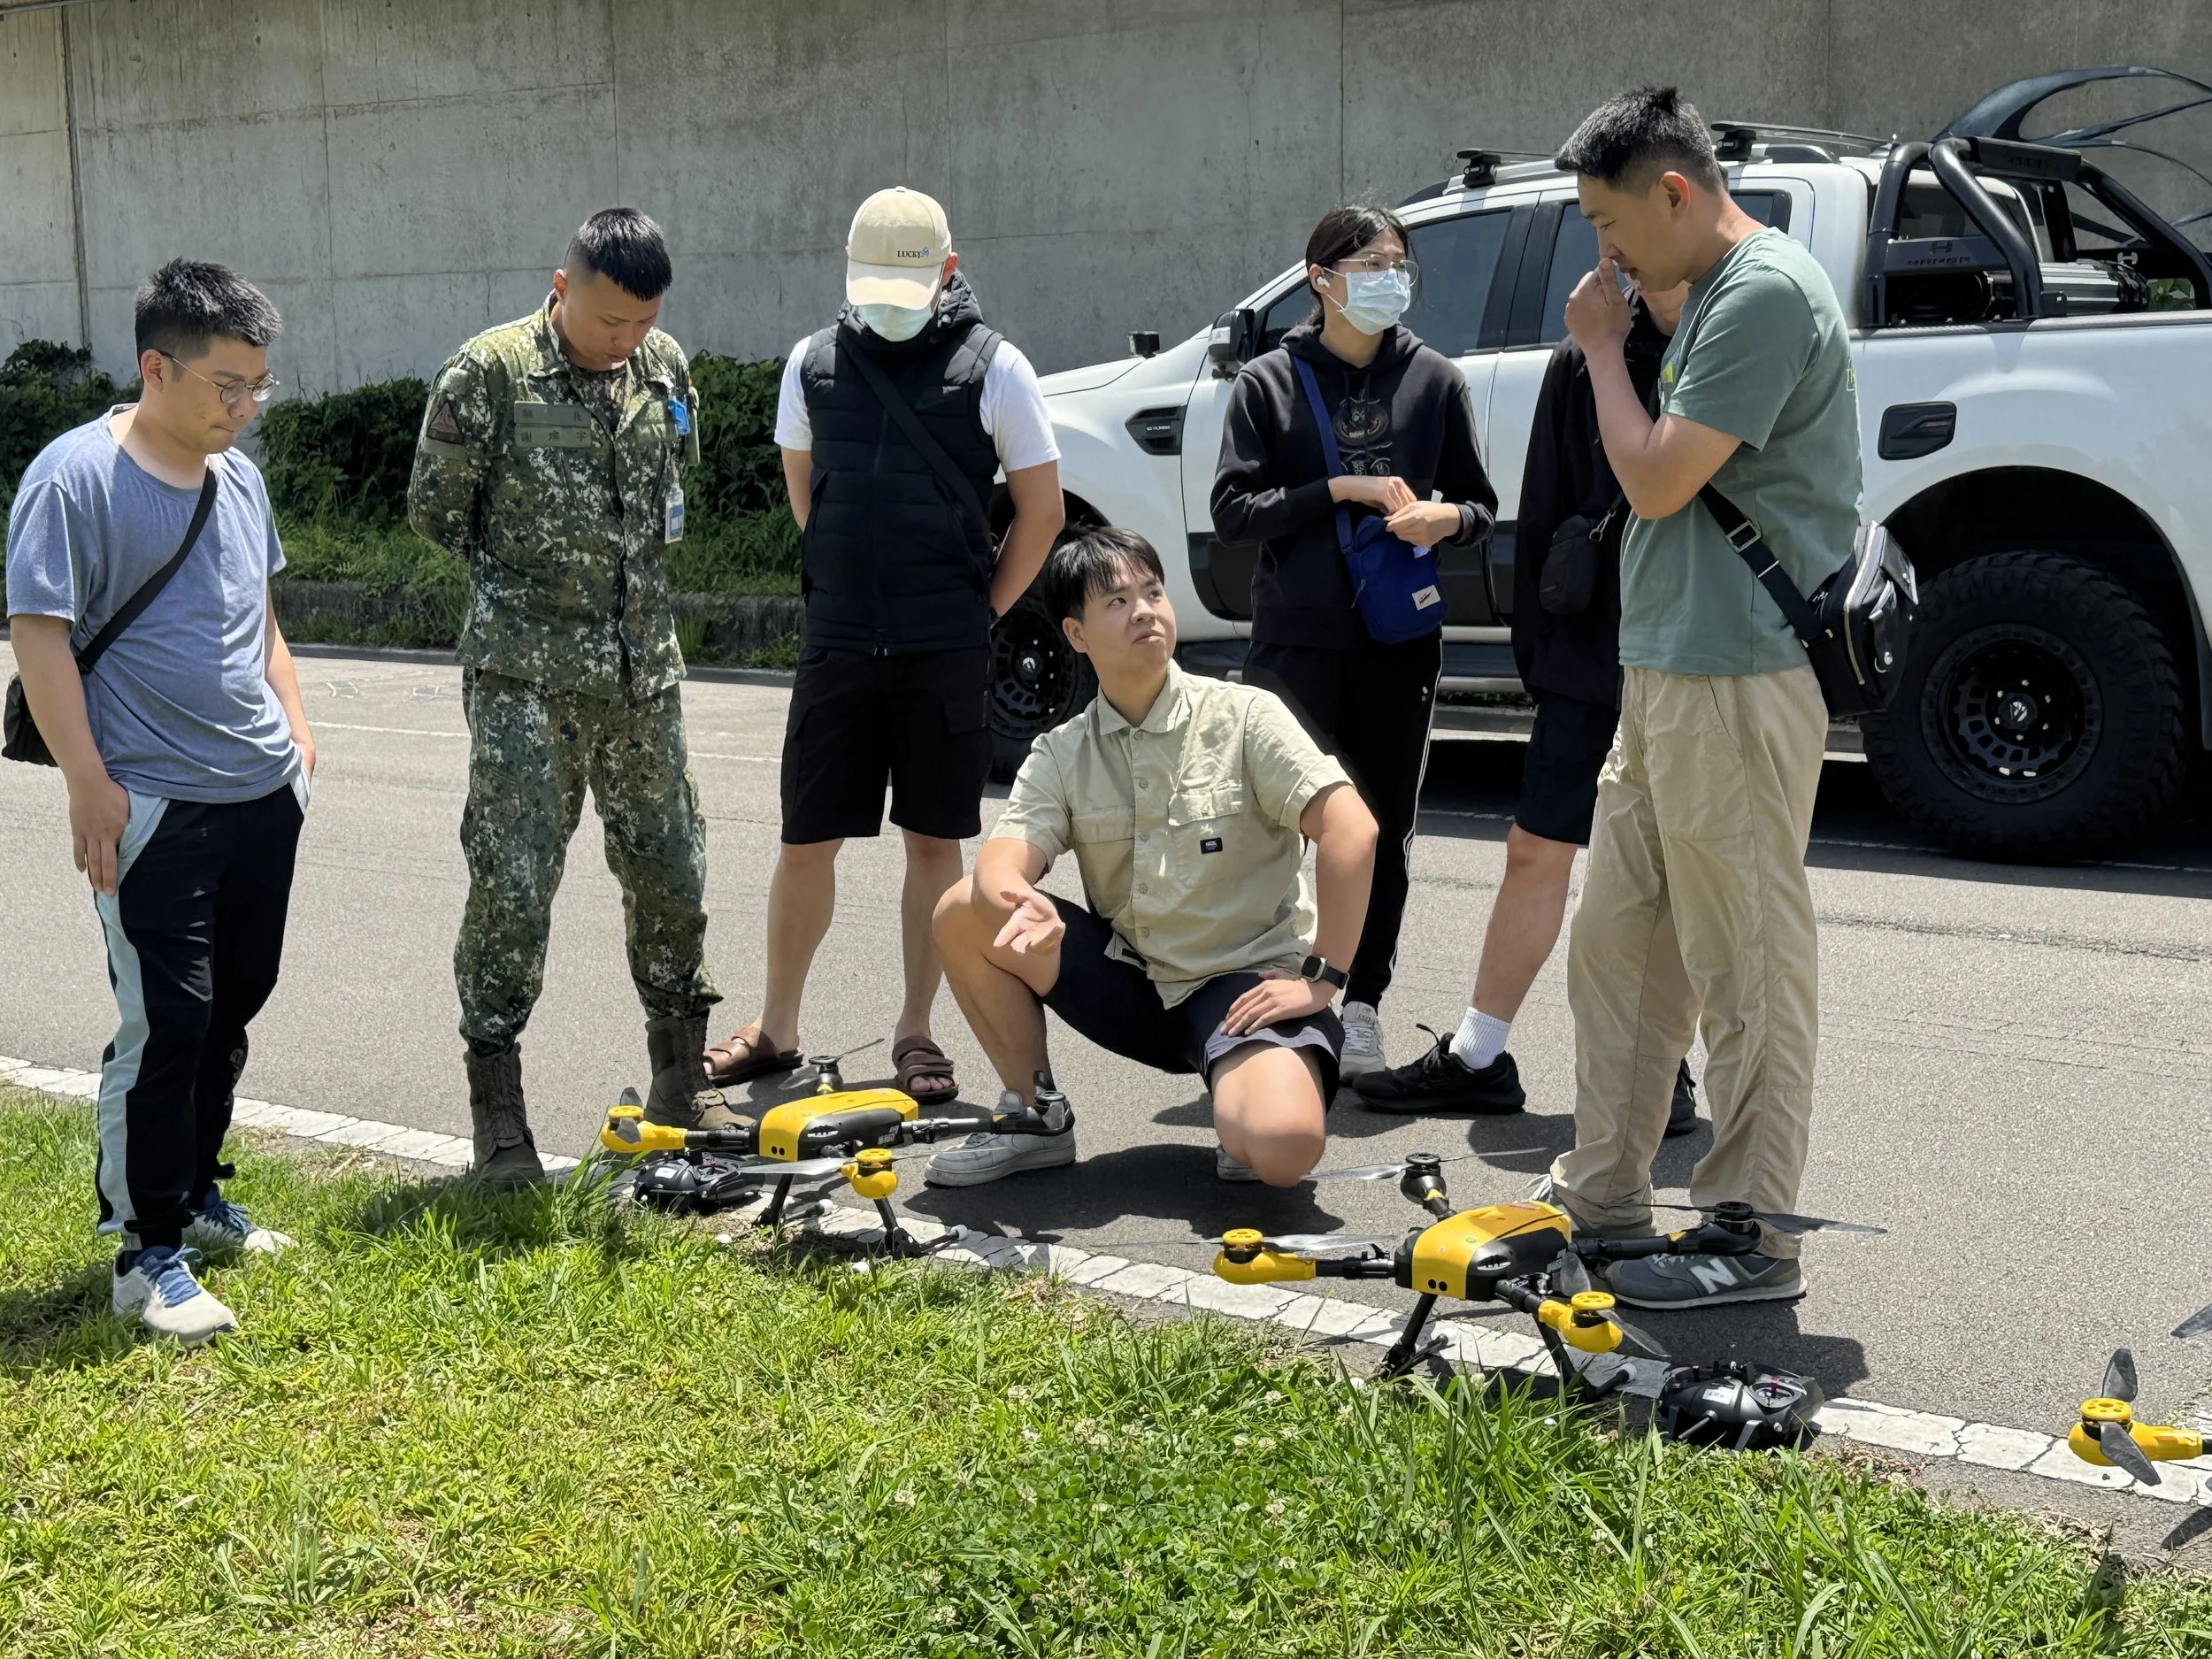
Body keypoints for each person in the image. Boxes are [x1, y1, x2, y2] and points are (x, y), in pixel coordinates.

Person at [1546, 87, 1860, 1308]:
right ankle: (1609, 1198)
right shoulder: (1717, 291)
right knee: (1619, 950)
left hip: (1732, 674)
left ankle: (1752, 1232)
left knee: (1746, 964)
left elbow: (1664, 476)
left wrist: (1602, 350)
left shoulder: (1769, 289)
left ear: (1675, 192)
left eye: (1608, 220)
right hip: (1668, 668)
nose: (1602, 250)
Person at [703, 187, 1064, 1107]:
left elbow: (1042, 510)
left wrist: (978, 608)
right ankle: (778, 1025)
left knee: (933, 846)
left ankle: (917, 1030)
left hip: (943, 646)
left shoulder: (997, 367)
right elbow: (806, 494)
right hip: (839, 644)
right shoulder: (812, 362)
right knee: (804, 842)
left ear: (946, 273)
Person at [6, 260, 312, 1341]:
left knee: (234, 1003)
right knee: (167, 1020)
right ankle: (146, 1252)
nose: (244, 408)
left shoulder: (240, 477)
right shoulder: (74, 479)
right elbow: (38, 635)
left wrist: (298, 737)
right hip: (153, 808)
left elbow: (259, 615)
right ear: (155, 367)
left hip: (261, 792)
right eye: (228, 386)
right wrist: (91, 785)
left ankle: (197, 1194)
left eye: (259, 387)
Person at [408, 208, 723, 1182]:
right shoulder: (490, 372)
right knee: (512, 887)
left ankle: (679, 1084)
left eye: (639, 322)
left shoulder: (662, 367)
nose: (621, 342)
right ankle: (498, 1112)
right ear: (562, 286)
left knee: (672, 873)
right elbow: (435, 510)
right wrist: (532, 595)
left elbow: (679, 483)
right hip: (526, 680)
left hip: (643, 676)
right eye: (605, 323)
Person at [1356, 280, 1704, 1136]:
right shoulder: (1581, 355)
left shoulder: (1719, 340)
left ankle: (1667, 1069)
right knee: (1533, 851)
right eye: (1599, 233)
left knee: (1675, 876)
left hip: (1696, 649)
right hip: (1591, 652)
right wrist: (1542, 655)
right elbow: (1543, 508)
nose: (1612, 256)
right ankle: (1477, 1055)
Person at [926, 526, 1378, 1187]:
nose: (1144, 609)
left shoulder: (1246, 716)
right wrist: (1021, 904)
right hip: (1132, 982)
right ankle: (1034, 1114)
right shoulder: (1064, 749)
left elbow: (1352, 830)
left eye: (1153, 591)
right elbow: (1000, 859)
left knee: (1283, 1148)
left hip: (1242, 988)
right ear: (1076, 634)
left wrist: (1323, 978)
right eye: (1117, 601)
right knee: (964, 909)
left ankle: (1241, 1101)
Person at [1211, 203, 1496, 1084]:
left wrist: (1444, 518)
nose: (1389, 279)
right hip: (1293, 641)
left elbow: (1479, 509)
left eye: (1397, 264)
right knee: (1266, 829)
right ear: (1320, 279)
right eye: (1369, 263)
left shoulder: (1435, 381)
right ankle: (1257, 996)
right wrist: (1334, 487)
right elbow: (1231, 515)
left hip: (1396, 640)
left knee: (1378, 830)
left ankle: (1357, 1002)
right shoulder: (1266, 382)